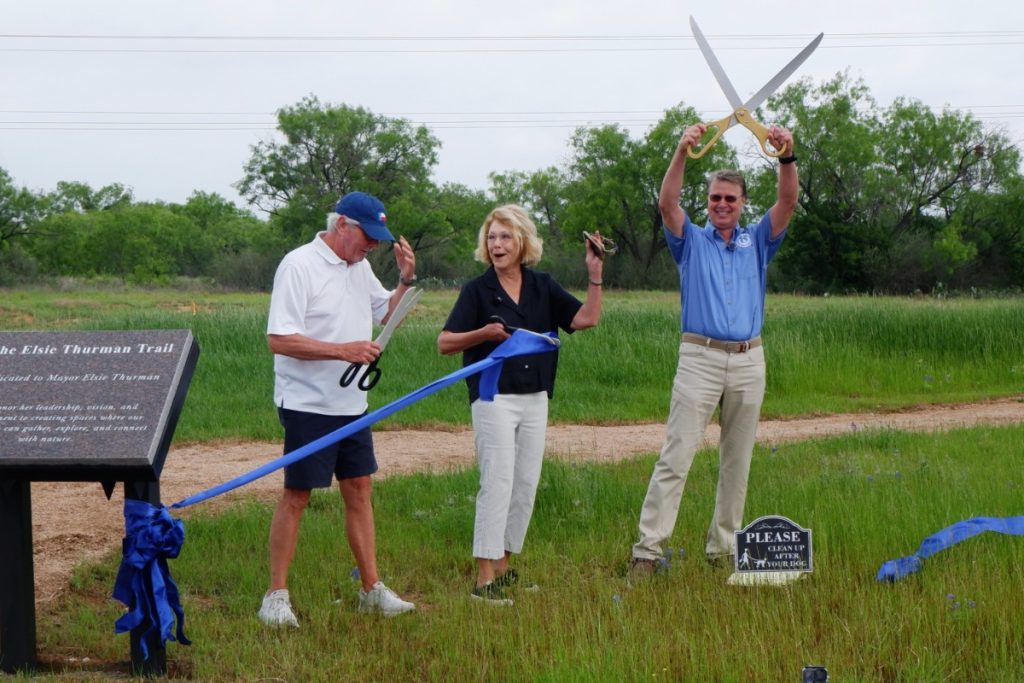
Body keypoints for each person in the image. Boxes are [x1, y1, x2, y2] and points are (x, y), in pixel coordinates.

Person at [629, 123, 798, 579]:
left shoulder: (756, 241)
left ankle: (723, 550)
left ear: (743, 204)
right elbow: (667, 203)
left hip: (749, 359)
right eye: (715, 198)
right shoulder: (691, 241)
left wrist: (786, 155)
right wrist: (683, 150)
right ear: (707, 203)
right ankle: (647, 552)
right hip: (699, 358)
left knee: (737, 460)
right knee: (677, 455)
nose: (722, 205)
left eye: (731, 198)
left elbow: (787, 202)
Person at [258, 191, 418, 627]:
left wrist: (403, 281)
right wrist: (341, 351)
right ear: (342, 225)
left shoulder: (360, 266)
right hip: (307, 404)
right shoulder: (299, 265)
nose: (372, 246)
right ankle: (275, 596)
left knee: (360, 489)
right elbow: (280, 339)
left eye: (378, 240)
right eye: (367, 236)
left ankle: (371, 589)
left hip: (352, 403)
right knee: (298, 494)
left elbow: (387, 317)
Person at [438, 204, 605, 605]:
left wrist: (595, 275)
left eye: (505, 237)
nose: (497, 244)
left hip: (535, 396)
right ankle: (483, 580)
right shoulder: (476, 291)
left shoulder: (542, 285)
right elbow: (444, 343)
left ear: (523, 242)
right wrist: (483, 333)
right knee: (496, 482)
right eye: (492, 237)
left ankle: (504, 568)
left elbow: (586, 320)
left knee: (524, 484)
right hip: (493, 396)